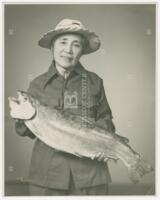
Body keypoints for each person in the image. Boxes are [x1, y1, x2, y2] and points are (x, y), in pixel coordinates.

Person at [15, 18, 116, 196]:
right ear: (52, 47)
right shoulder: (37, 84)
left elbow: (106, 119)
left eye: (76, 45)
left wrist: (101, 146)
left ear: (82, 51)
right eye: (63, 42)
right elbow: (25, 132)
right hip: (47, 176)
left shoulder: (94, 82)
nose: (68, 50)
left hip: (90, 177)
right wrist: (20, 118)